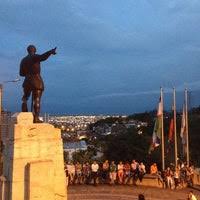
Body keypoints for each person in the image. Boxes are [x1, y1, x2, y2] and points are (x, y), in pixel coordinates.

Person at [19, 45, 57, 123]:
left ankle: (25, 112)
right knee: (37, 100)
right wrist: (50, 52)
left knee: (25, 98)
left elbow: (21, 74)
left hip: (27, 82)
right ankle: (36, 118)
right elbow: (43, 57)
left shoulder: (23, 60)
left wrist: (28, 73)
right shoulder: (34, 57)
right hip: (36, 81)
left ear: (28, 50)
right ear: (34, 50)